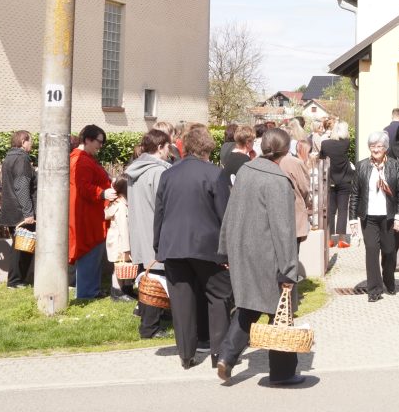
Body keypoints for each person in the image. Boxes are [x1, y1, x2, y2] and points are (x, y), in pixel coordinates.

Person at [216, 128, 304, 387]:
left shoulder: (245, 170)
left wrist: (224, 248)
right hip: (269, 255)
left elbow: (230, 211)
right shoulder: (278, 181)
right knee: (280, 312)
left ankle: (226, 357)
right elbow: (283, 230)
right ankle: (283, 373)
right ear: (285, 150)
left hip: (243, 250)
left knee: (249, 306)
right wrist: (288, 270)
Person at [154, 123, 231, 369]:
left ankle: (186, 355)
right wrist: (228, 252)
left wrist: (158, 246)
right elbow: (225, 215)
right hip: (207, 246)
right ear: (207, 148)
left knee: (181, 301)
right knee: (219, 295)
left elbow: (160, 213)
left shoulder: (168, 174)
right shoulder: (215, 174)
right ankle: (219, 354)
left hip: (173, 245)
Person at [125, 127, 172, 338]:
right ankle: (150, 327)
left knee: (147, 276)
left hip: (139, 228)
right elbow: (164, 205)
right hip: (155, 230)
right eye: (168, 146)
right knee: (156, 277)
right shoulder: (159, 172)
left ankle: (149, 317)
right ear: (160, 147)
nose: (169, 151)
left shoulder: (135, 169)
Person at [349, 130, 399, 302]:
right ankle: (374, 290)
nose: (375, 149)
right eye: (372, 146)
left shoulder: (394, 165)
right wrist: (353, 219)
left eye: (379, 146)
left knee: (389, 251)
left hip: (389, 217)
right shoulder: (361, 166)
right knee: (372, 251)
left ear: (385, 147)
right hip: (369, 217)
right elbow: (355, 194)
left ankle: (388, 279)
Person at [69, 125, 115, 299]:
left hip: (91, 214)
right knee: (90, 252)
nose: (100, 146)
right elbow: (83, 187)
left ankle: (91, 290)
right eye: (99, 142)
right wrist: (102, 193)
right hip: (88, 216)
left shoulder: (84, 158)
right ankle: (88, 292)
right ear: (87, 139)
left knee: (92, 253)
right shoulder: (81, 160)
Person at [0, 130, 37, 288]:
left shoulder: (9, 157)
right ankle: (15, 281)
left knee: (20, 246)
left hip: (11, 209)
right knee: (22, 248)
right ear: (23, 142)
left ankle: (17, 280)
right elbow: (21, 186)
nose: (32, 144)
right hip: (21, 211)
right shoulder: (22, 158)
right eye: (30, 141)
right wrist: (28, 212)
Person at [320, 121, 354, 249]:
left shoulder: (325, 144)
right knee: (343, 210)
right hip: (344, 180)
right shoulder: (346, 143)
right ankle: (341, 239)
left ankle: (329, 239)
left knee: (330, 210)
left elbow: (321, 158)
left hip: (330, 180)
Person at [105, 176, 131, 299]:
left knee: (123, 265)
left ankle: (126, 288)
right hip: (120, 242)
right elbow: (123, 229)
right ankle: (117, 291)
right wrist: (127, 248)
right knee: (119, 266)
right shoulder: (121, 207)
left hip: (117, 241)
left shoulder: (118, 203)